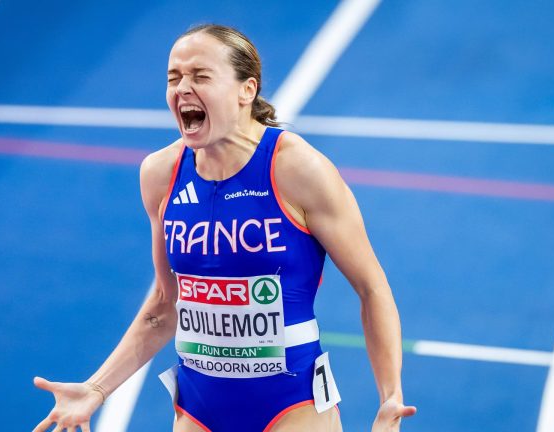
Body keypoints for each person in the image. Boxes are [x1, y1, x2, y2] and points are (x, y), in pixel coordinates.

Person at [33, 24, 416, 432]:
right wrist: (96, 388)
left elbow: (372, 287)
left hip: (294, 406)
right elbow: (165, 304)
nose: (182, 88)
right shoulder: (161, 174)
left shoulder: (298, 169)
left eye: (200, 76)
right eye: (173, 77)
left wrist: (390, 396)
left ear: (246, 90)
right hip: (199, 409)